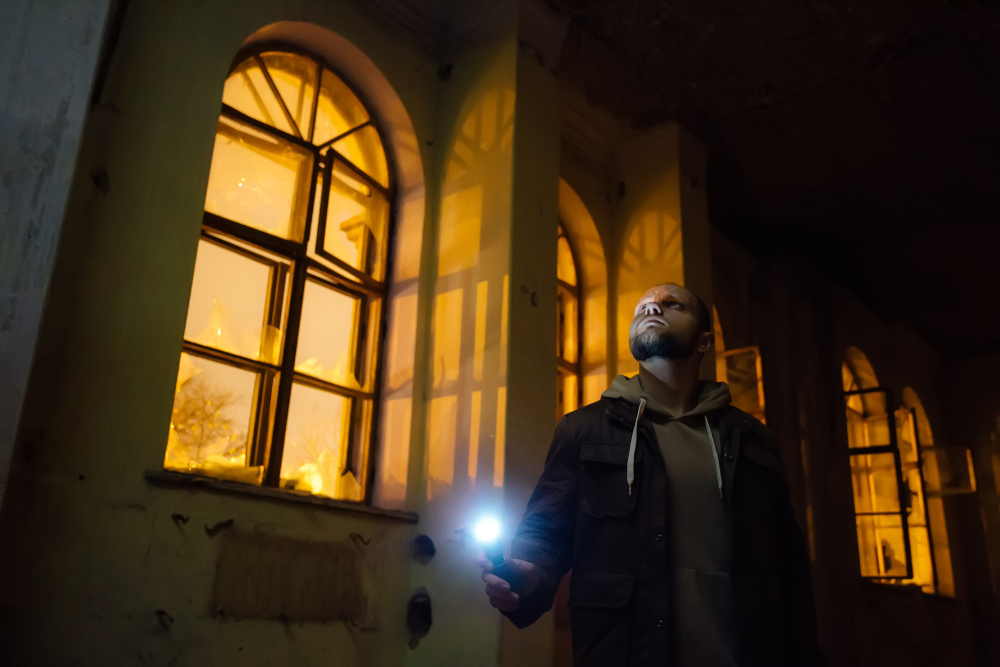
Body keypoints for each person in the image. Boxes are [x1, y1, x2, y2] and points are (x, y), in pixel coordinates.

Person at [478, 283, 827, 666]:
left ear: (704, 341)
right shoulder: (584, 430)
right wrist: (530, 578)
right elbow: (545, 533)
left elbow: (789, 567)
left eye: (671, 304)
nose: (652, 308)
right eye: (642, 306)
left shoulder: (752, 440)